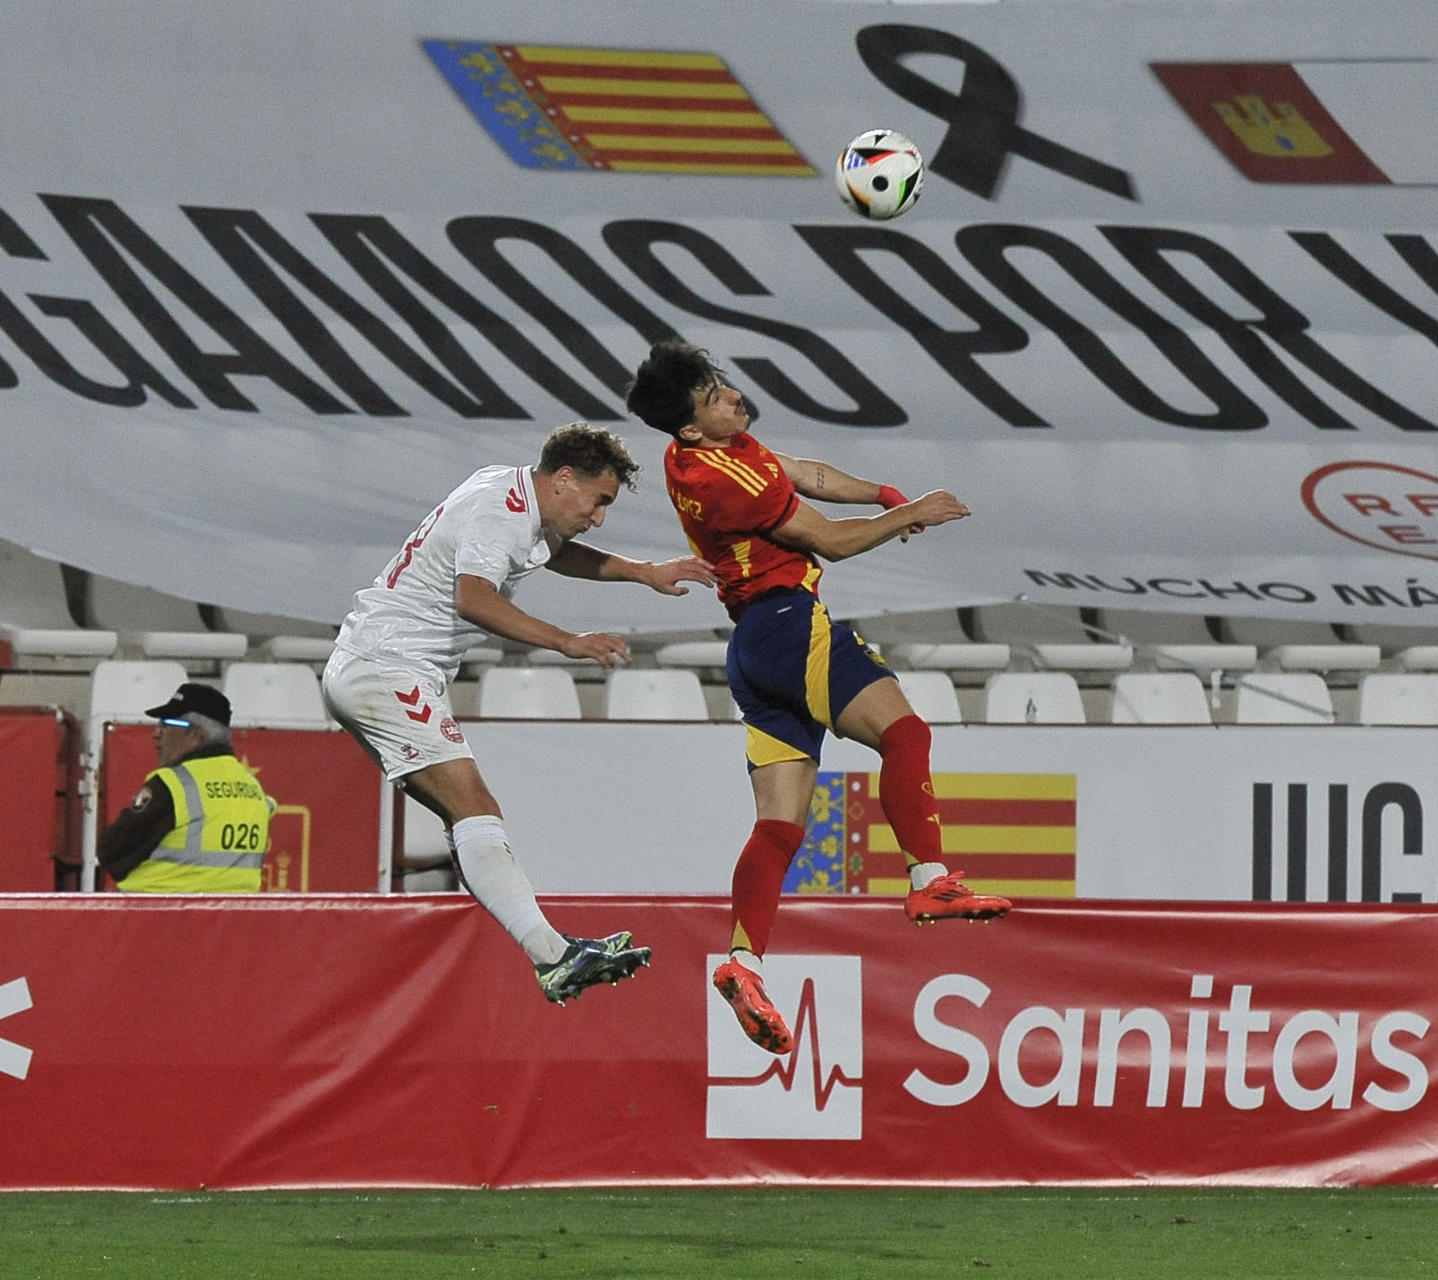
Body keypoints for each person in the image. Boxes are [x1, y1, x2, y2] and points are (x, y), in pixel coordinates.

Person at [625, 340, 1011, 1056]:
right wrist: (911, 513)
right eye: (714, 397)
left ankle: (743, 963)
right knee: (906, 735)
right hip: (788, 625)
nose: (732, 397)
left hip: (752, 646)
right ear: (689, 428)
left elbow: (806, 475)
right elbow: (829, 542)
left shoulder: (714, 452)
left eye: (721, 384)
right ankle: (931, 879)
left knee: (778, 829)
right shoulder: (724, 479)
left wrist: (883, 494)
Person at [321, 421, 715, 1004]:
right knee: (476, 806)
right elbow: (473, 598)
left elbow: (556, 553)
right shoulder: (500, 510)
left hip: (381, 666)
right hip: (388, 666)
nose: (600, 516)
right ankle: (552, 957)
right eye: (599, 501)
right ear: (562, 480)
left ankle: (552, 951)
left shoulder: (510, 492)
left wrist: (643, 572)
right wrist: (569, 642)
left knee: (469, 817)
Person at [97, 682, 274, 892]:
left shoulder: (174, 785)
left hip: (163, 916)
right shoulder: (254, 790)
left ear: (196, 735)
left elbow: (111, 850)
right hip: (235, 919)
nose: (156, 733)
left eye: (167, 723)